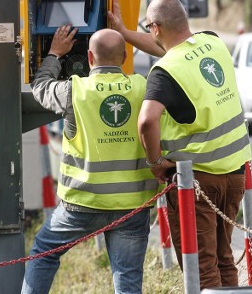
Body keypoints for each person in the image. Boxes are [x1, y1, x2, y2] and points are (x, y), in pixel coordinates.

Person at [107, 0, 252, 289]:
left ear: (156, 27)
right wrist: (124, 32)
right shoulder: (212, 42)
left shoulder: (164, 73)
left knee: (201, 265)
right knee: (224, 258)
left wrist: (155, 161)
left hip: (198, 182)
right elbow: (167, 48)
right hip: (235, 171)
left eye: (149, 28)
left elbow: (147, 120)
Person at [22, 26, 160, 294]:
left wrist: (54, 53)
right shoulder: (143, 86)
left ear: (89, 57)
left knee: (43, 253)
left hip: (81, 203)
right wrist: (125, 30)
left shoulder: (75, 90)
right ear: (124, 57)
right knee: (128, 276)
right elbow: (172, 53)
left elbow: (40, 87)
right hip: (132, 205)